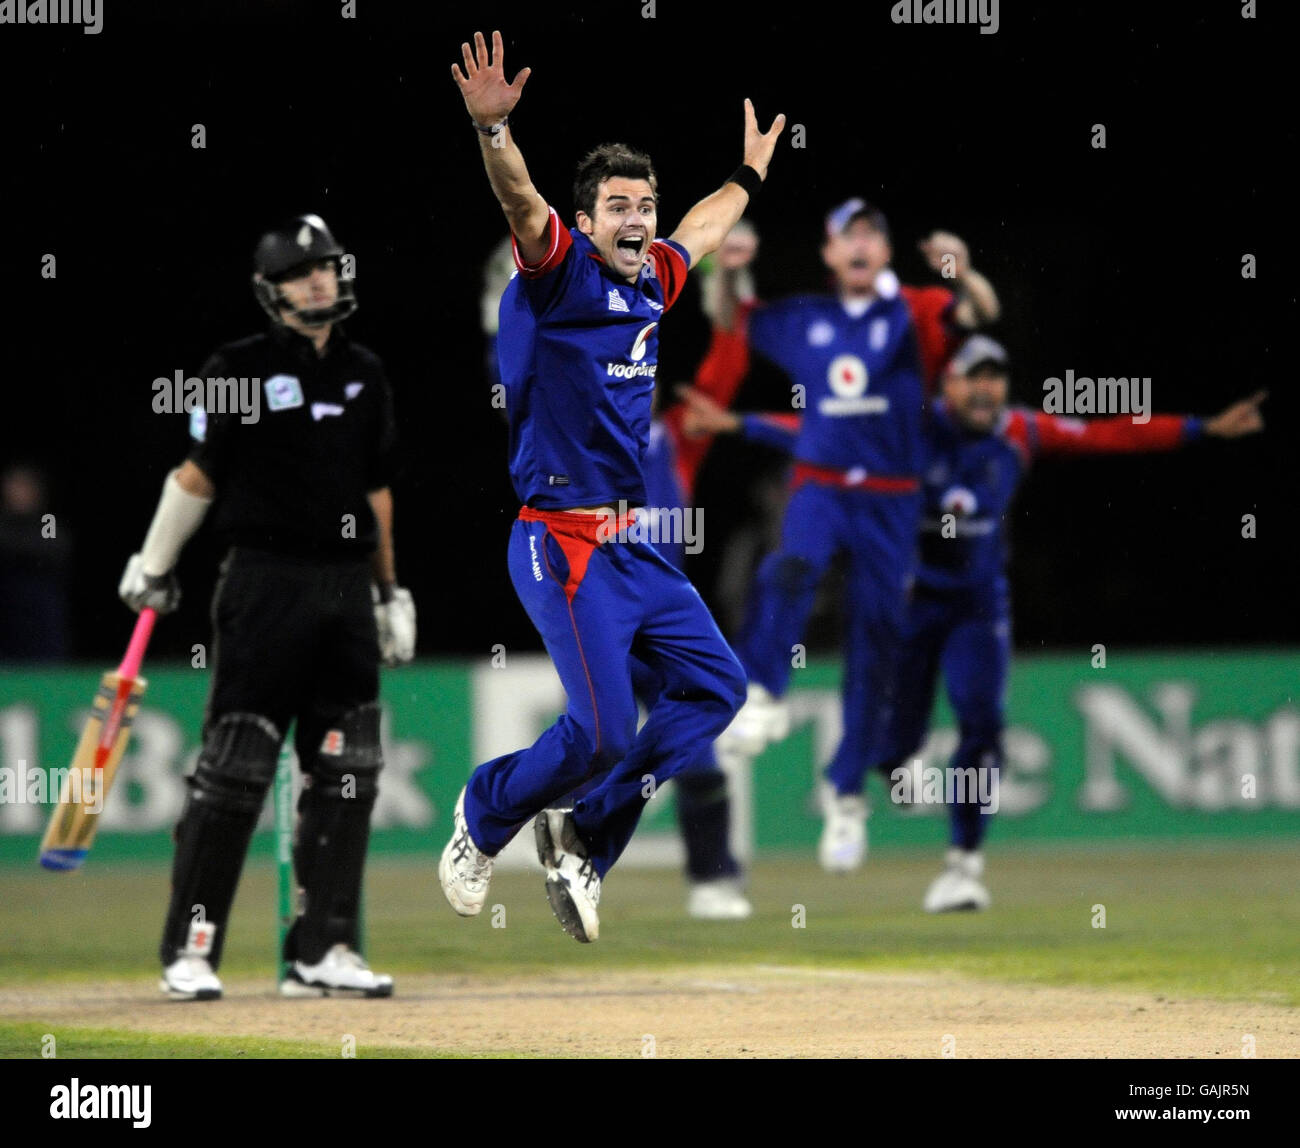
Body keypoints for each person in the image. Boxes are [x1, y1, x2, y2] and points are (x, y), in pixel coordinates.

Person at [681, 335, 1267, 906]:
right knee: (896, 741)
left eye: (996, 377)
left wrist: (1201, 428)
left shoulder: (1021, 431)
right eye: (973, 377)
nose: (987, 389)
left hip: (977, 604)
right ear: (949, 385)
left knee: (982, 722)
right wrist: (739, 425)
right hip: (909, 603)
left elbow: (1107, 433)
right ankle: (892, 762)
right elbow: (818, 433)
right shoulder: (907, 430)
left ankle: (964, 864)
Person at [439, 29, 782, 942]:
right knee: (598, 734)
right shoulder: (558, 275)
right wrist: (494, 134)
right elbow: (521, 201)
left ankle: (585, 838)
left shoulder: (654, 278)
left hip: (631, 540)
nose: (638, 218)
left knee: (716, 688)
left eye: (646, 203)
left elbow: (704, 229)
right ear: (586, 222)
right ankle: (484, 813)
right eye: (618, 206)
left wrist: (746, 178)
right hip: (558, 537)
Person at [118, 213, 414, 999]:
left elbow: (377, 493)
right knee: (235, 771)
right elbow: (198, 474)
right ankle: (192, 951)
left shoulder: (368, 373)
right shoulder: (235, 368)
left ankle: (323, 950)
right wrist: (153, 564)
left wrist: (391, 593)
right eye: (300, 272)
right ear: (271, 290)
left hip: (347, 588)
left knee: (350, 769)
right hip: (263, 583)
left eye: (327, 266)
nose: (319, 279)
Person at [707, 200, 999, 843]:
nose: (861, 244)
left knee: (878, 635)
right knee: (790, 565)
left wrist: (963, 270)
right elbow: (734, 321)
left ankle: (846, 793)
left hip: (892, 497)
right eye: (849, 235)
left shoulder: (914, 312)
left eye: (872, 233)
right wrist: (727, 272)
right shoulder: (808, 318)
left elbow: (980, 313)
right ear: (830, 254)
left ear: (886, 253)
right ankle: (761, 690)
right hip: (820, 484)